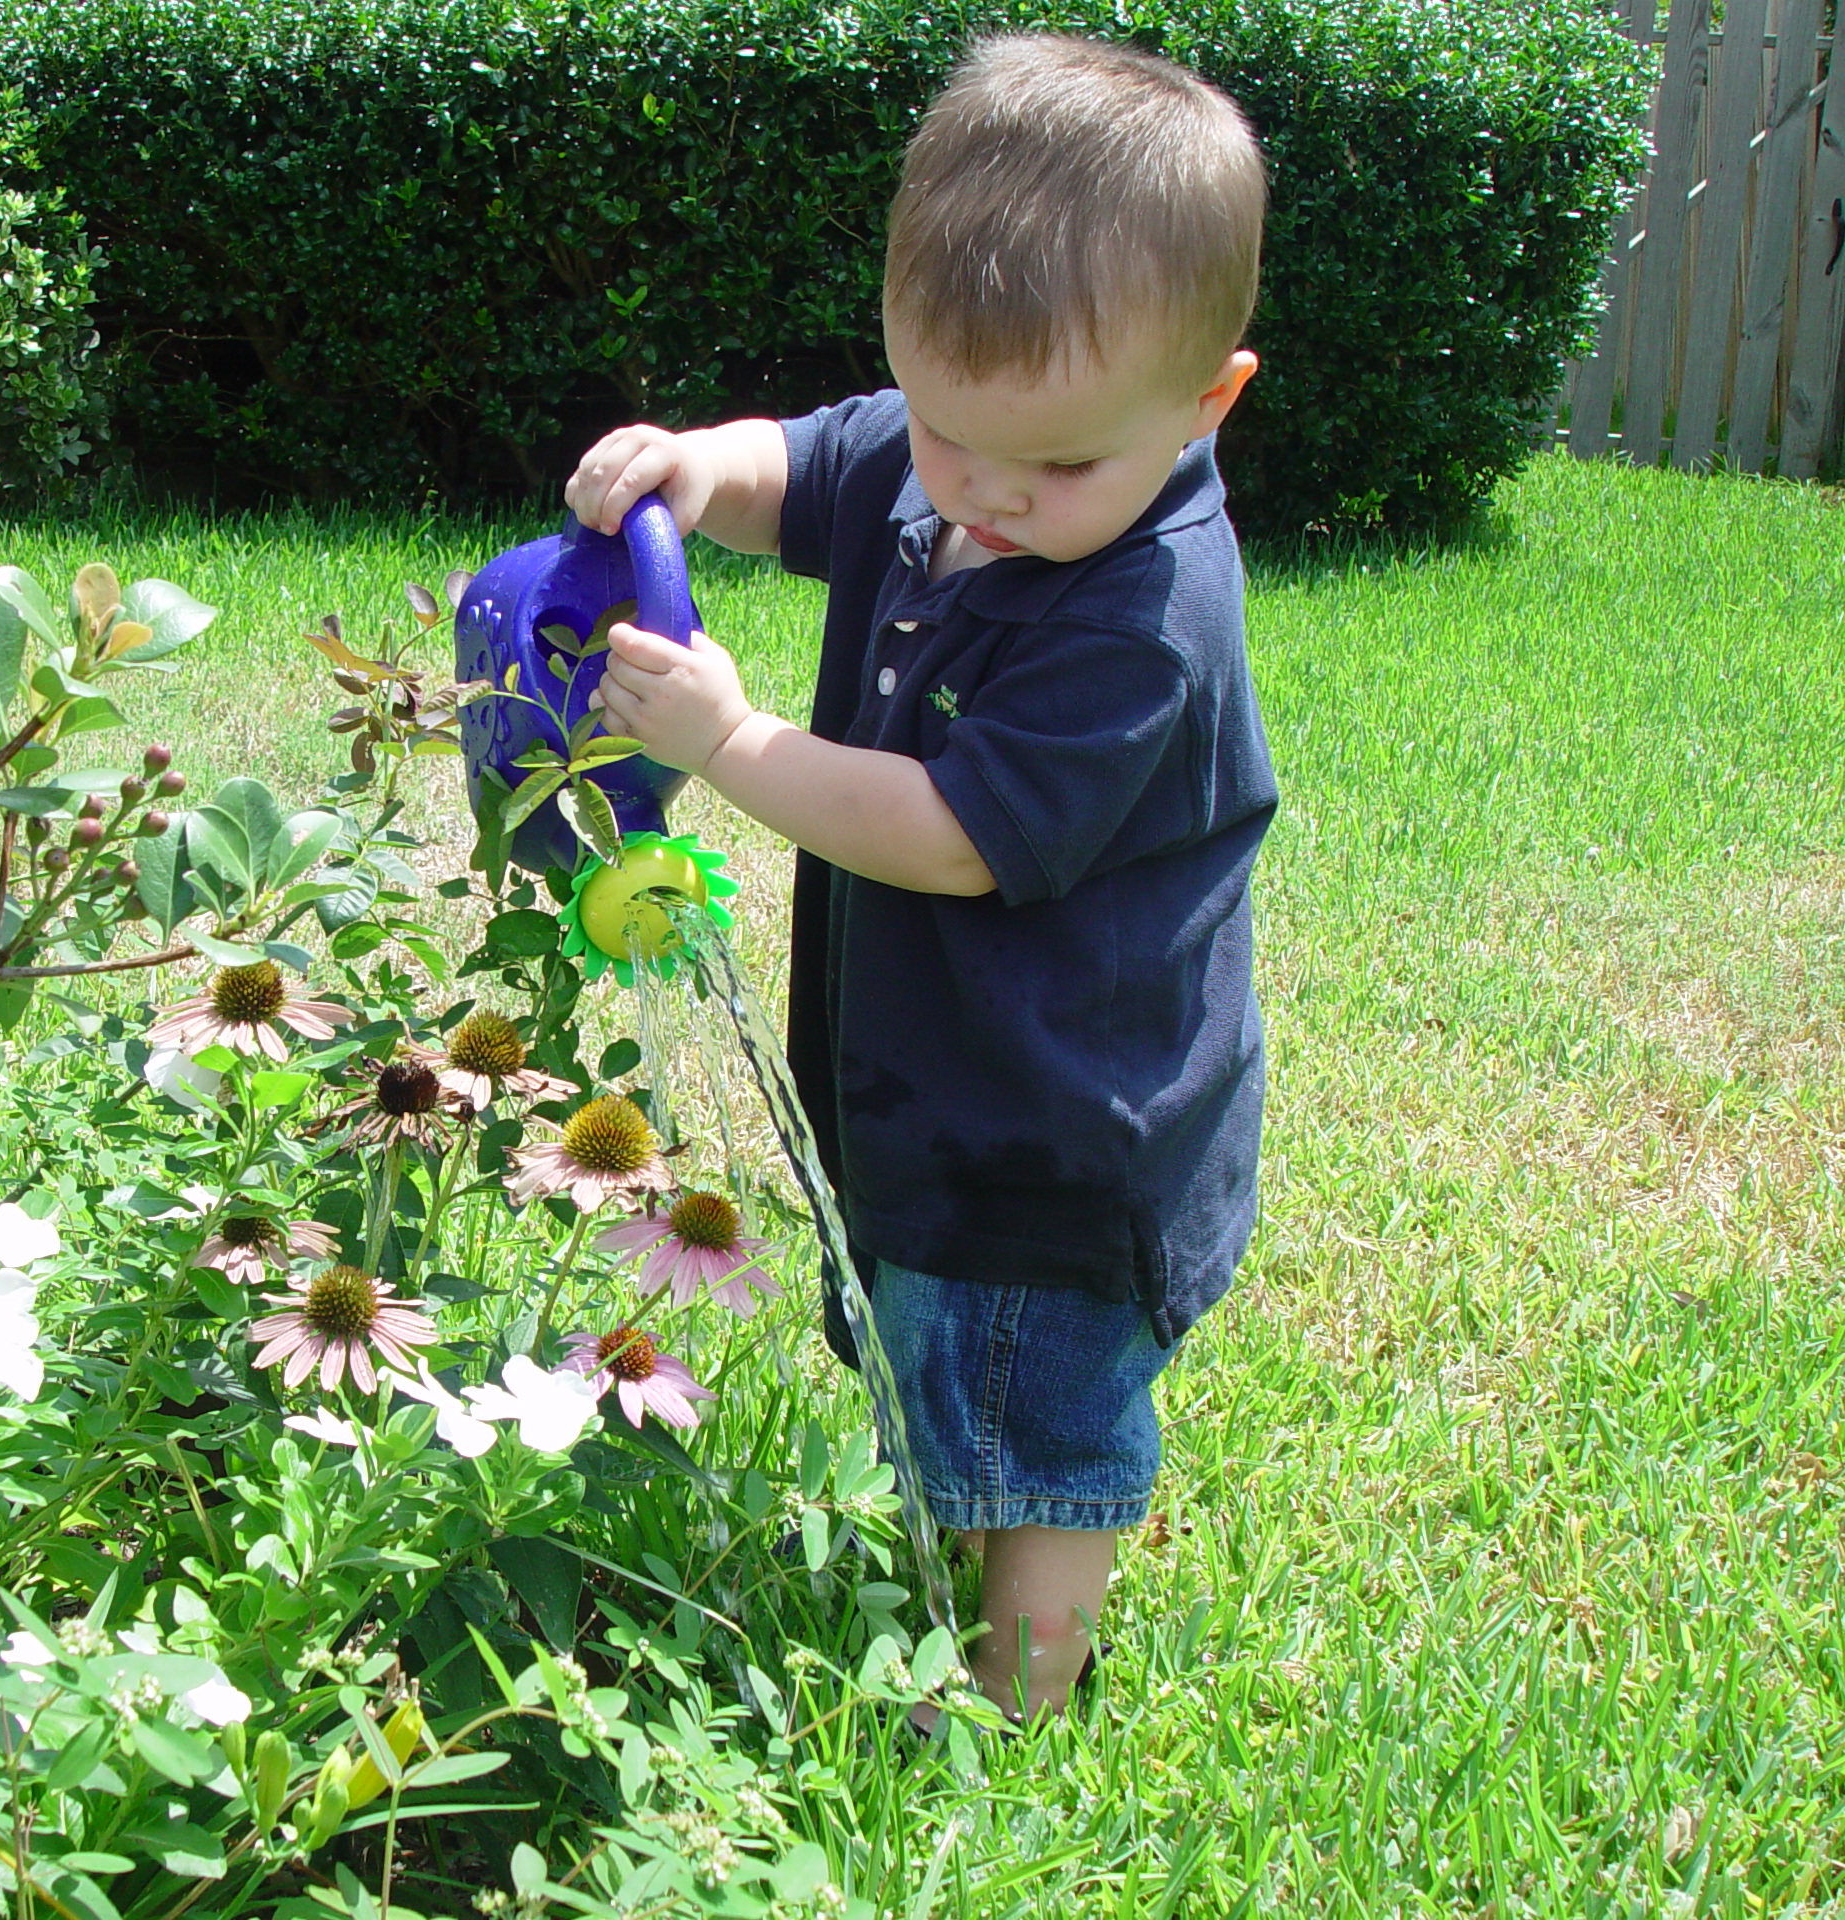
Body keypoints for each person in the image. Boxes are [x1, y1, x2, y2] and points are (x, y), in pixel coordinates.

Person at [562, 32, 1278, 1723]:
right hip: (936, 1084)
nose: (991, 498)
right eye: (953, 437)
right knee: (942, 1372)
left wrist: (734, 746)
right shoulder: (942, 457)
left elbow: (954, 836)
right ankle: (948, 1579)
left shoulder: (1143, 611)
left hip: (1061, 1119)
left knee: (1038, 1427)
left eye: (1060, 468)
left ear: (1206, 399)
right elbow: (802, 466)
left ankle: (1024, 1696)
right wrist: (687, 465)